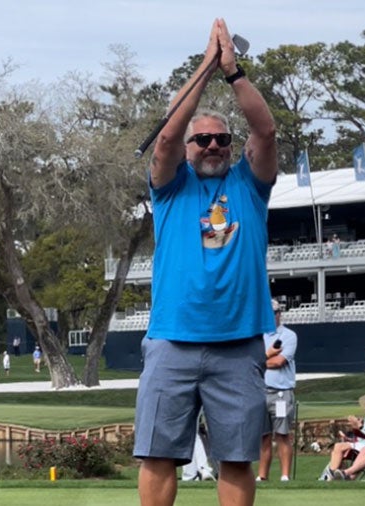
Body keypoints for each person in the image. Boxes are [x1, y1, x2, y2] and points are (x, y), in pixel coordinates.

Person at [133, 19, 278, 506]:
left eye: (221, 139)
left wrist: (233, 73)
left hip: (238, 343)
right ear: (189, 150)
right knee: (158, 454)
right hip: (173, 339)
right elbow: (169, 135)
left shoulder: (248, 185)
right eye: (204, 140)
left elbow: (267, 129)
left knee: (235, 458)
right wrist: (204, 65)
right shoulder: (172, 187)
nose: (213, 145)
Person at [257, 299, 298, 482]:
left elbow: (279, 362)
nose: (272, 316)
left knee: (282, 435)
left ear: (279, 314)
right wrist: (266, 357)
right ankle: (262, 475)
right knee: (263, 436)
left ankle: (284, 476)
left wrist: (260, 361)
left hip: (281, 392)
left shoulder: (288, 335)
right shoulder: (258, 336)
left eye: (274, 313)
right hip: (260, 391)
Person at [323, 388, 365, 479]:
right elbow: (361, 437)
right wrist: (353, 432)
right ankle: (332, 475)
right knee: (338, 446)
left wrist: (359, 426)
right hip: (361, 443)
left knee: (347, 447)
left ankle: (342, 476)